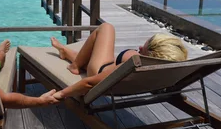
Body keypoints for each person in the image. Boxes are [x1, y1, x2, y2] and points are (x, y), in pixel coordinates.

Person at [49, 23, 188, 100]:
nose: (139, 47)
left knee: (106, 27)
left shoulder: (134, 64)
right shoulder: (165, 69)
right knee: (99, 54)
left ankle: (75, 65)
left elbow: (89, 82)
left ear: (152, 56)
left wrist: (61, 94)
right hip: (117, 75)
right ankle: (65, 51)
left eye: (143, 49)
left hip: (100, 73)